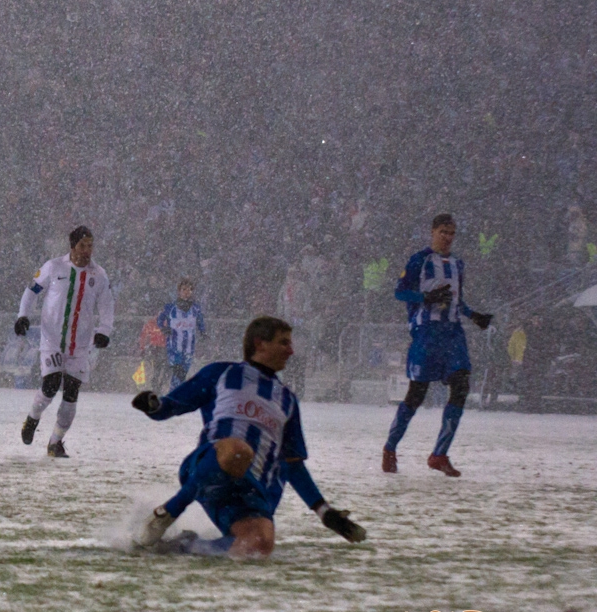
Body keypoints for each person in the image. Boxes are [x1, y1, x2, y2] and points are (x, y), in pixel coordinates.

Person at [131, 316, 366, 557]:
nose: (291, 351)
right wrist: (153, 405)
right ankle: (168, 512)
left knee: (258, 545)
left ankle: (183, 546)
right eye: (284, 343)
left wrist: (324, 512)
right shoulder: (222, 373)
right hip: (207, 470)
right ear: (260, 343)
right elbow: (172, 405)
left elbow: (294, 464)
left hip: (246, 490)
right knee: (238, 450)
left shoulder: (287, 400)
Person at [382, 214, 493, 477]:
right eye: (443, 232)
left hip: (452, 333)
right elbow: (399, 291)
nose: (448, 237)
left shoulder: (457, 264)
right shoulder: (419, 260)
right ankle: (389, 448)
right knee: (416, 394)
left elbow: (457, 300)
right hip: (426, 333)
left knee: (461, 386)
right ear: (432, 232)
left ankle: (439, 454)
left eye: (452, 233)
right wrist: (425, 297)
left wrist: (473, 315)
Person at [15, 226, 114, 458]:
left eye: (90, 246)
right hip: (52, 340)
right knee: (50, 386)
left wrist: (104, 330)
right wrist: (23, 315)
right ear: (72, 246)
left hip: (80, 345)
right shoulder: (53, 267)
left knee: (71, 392)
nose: (87, 251)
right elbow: (31, 291)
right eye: (82, 246)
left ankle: (55, 442)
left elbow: (107, 304)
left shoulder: (99, 274)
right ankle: (33, 418)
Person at [157, 278, 206, 389]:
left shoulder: (196, 308)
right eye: (184, 289)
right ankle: (173, 394)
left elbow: (200, 321)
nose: (187, 292)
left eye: (189, 290)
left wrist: (202, 332)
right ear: (179, 291)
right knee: (177, 371)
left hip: (189, 346)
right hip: (174, 345)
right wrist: (164, 328)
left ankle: (175, 394)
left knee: (182, 374)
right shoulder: (170, 307)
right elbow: (160, 319)